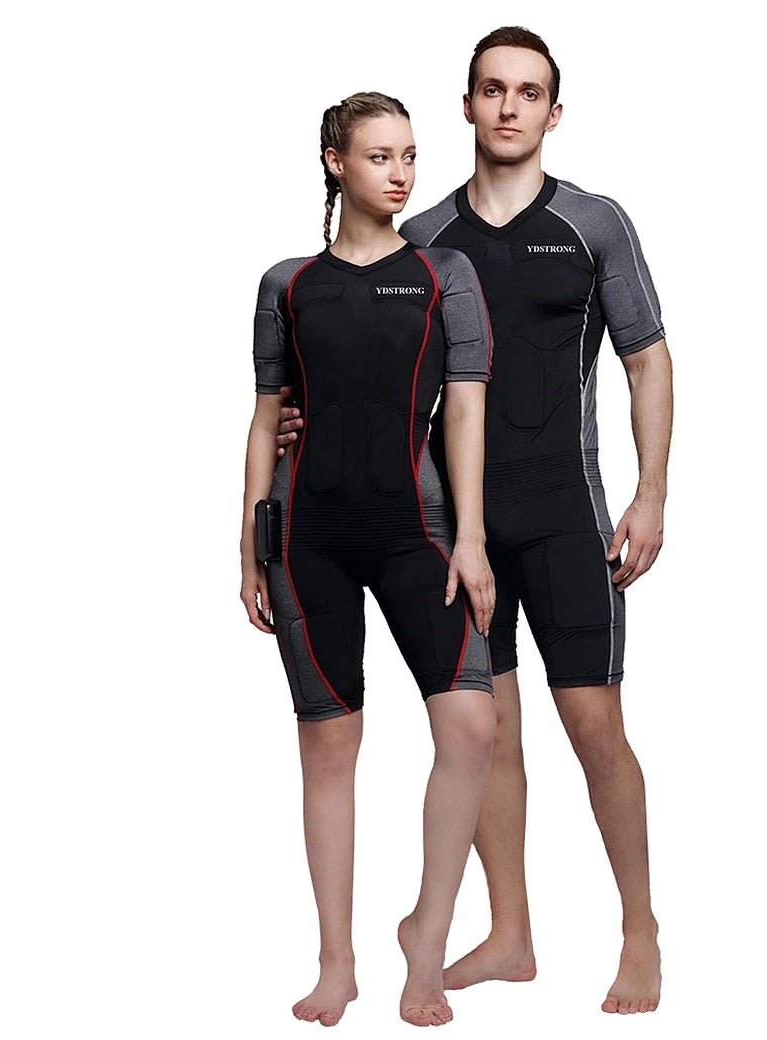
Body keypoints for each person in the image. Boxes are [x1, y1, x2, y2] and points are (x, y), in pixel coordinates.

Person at [274, 28, 673, 1016]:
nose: (508, 107)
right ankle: (509, 931)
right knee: (486, 729)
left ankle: (639, 929)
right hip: (455, 528)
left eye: (528, 93)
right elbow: (365, 362)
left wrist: (651, 493)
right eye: (492, 89)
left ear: (553, 112)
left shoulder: (593, 224)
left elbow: (647, 359)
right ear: (466, 104)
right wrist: (297, 419)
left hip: (565, 514)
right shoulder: (423, 239)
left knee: (594, 724)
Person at [240, 92, 499, 1028]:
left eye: (411, 155)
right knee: (329, 747)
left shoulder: (444, 275)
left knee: (471, 727)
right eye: (381, 155)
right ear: (335, 162)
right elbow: (267, 418)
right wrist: (248, 546)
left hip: (415, 527)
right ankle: (337, 962)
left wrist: (471, 537)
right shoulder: (286, 284)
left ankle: (425, 948)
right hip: (305, 534)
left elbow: (463, 408)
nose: (401, 172)